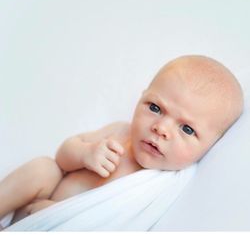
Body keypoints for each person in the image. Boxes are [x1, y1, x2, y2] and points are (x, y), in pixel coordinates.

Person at [0, 55, 244, 229]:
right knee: (44, 167)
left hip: (57, 222)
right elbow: (62, 156)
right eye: (155, 107)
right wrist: (86, 153)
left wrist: (54, 214)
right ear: (142, 98)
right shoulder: (120, 133)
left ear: (211, 146)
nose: (161, 128)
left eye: (187, 129)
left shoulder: (162, 190)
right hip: (33, 204)